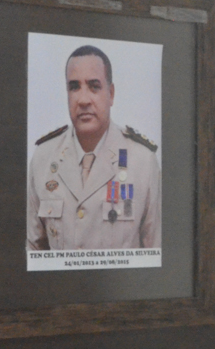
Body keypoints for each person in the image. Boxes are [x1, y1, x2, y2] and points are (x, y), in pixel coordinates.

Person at [27, 45, 161, 251]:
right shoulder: (43, 159)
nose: (83, 100)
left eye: (94, 86)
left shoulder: (143, 162)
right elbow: (33, 253)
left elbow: (156, 253)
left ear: (111, 94)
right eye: (74, 87)